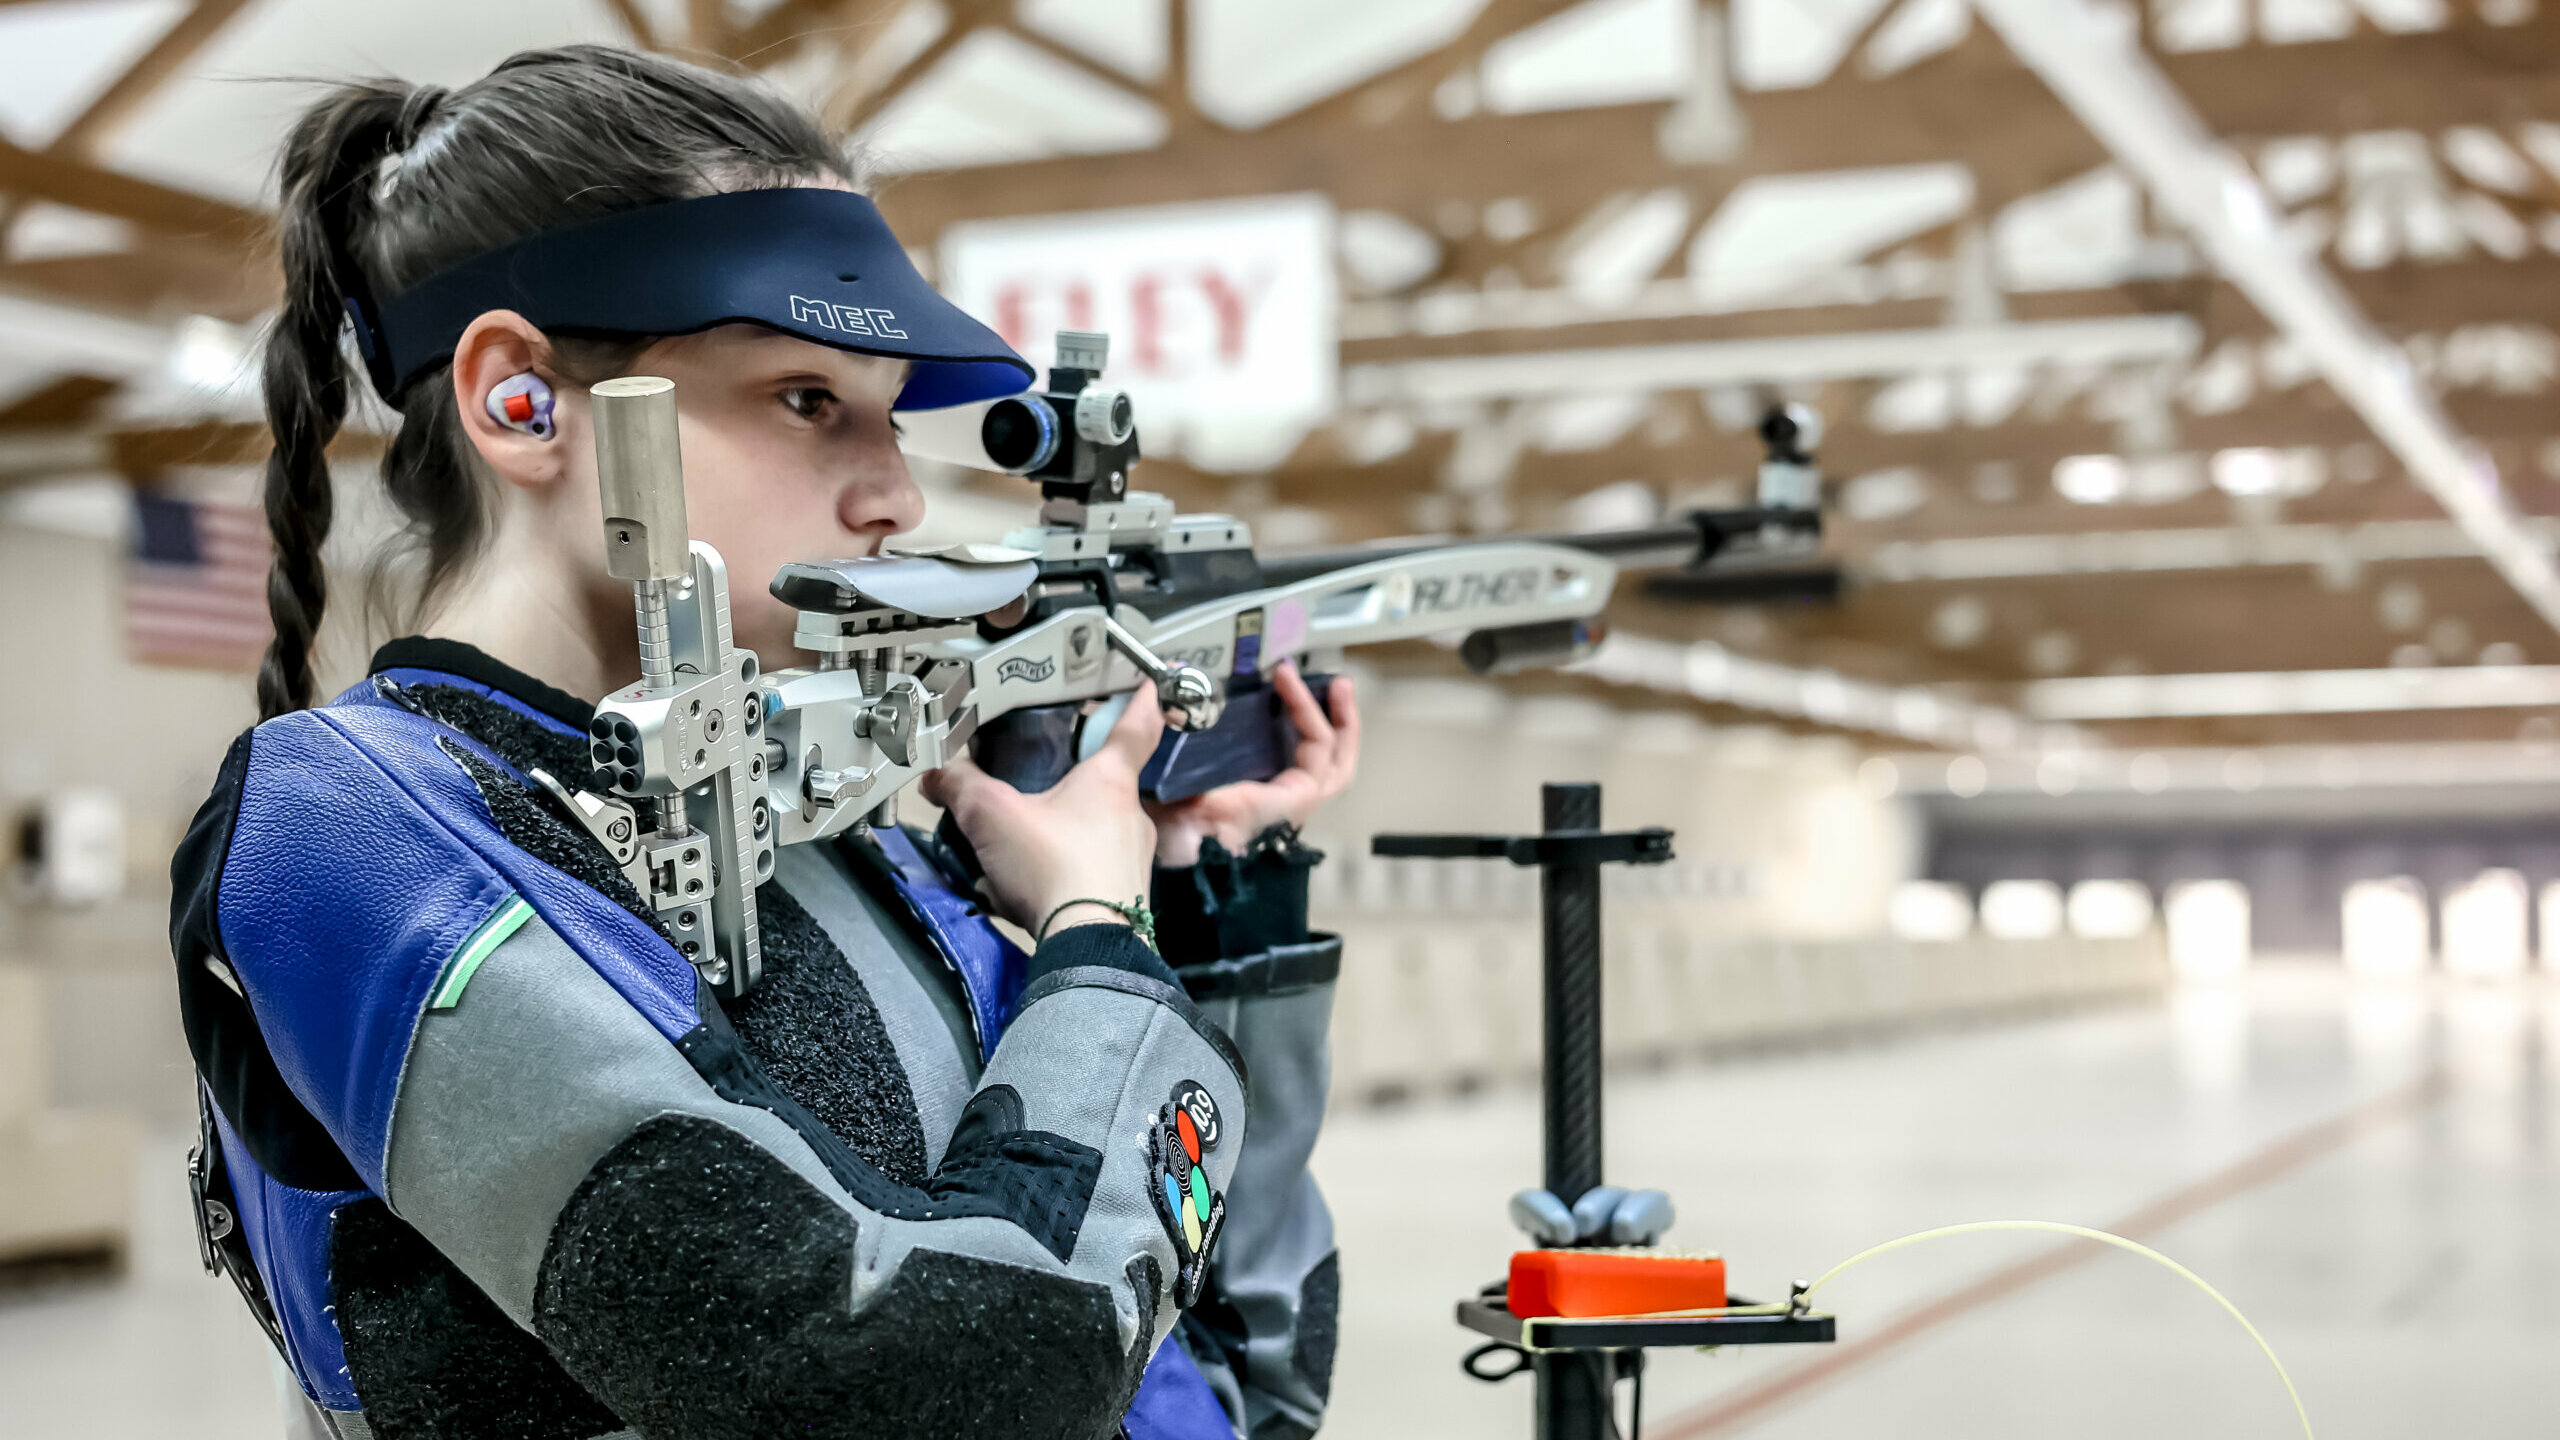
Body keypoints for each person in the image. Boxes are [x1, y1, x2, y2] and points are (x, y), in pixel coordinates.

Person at [169, 45, 1358, 1440]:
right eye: (808, 399)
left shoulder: (849, 853)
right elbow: (928, 1391)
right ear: (521, 402)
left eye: (890, 416)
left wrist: (1190, 911)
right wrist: (1095, 929)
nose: (898, 494)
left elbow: (1223, 1391)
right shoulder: (340, 833)